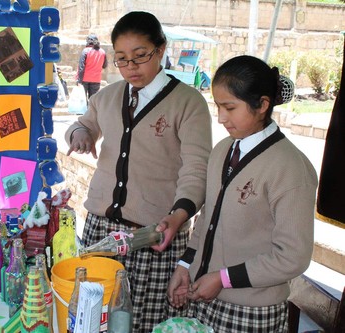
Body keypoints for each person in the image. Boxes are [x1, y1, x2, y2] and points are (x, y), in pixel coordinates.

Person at [65, 11, 212, 332]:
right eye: (121, 59)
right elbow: (83, 123)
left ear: (160, 50)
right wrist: (80, 134)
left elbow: (197, 169)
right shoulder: (108, 96)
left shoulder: (188, 103)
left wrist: (179, 215)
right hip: (100, 231)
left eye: (140, 56)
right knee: (92, 318)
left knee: (141, 323)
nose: (131, 67)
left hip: (153, 234)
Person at [167, 55, 318, 332]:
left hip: (252, 310)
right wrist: (185, 265)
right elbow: (207, 217)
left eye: (230, 107)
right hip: (206, 297)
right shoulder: (223, 150)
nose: (221, 117)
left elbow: (293, 256)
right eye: (218, 106)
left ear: (262, 104)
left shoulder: (290, 168)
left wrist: (223, 278)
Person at [76, 33, 108, 100]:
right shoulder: (102, 52)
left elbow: (81, 67)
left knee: (83, 100)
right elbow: (105, 65)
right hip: (96, 79)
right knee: (93, 101)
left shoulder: (85, 51)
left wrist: (79, 81)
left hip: (84, 79)